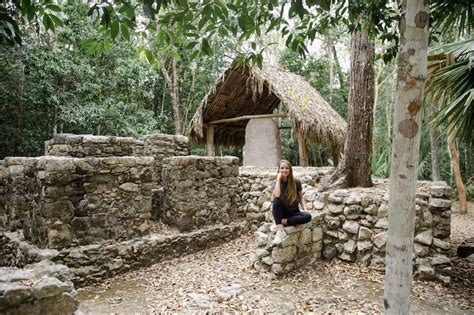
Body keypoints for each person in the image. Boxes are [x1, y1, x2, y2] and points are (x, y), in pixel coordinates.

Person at [272, 159, 312, 245]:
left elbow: (301, 197)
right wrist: (278, 180)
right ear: (279, 170)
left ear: (290, 170)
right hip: (282, 212)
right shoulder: (276, 183)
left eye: (287, 168)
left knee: (308, 216)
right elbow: (277, 195)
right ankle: (279, 231)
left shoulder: (296, 182)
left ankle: (283, 222)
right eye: (282, 168)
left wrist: (305, 209)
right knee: (276, 201)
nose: (284, 170)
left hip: (294, 212)